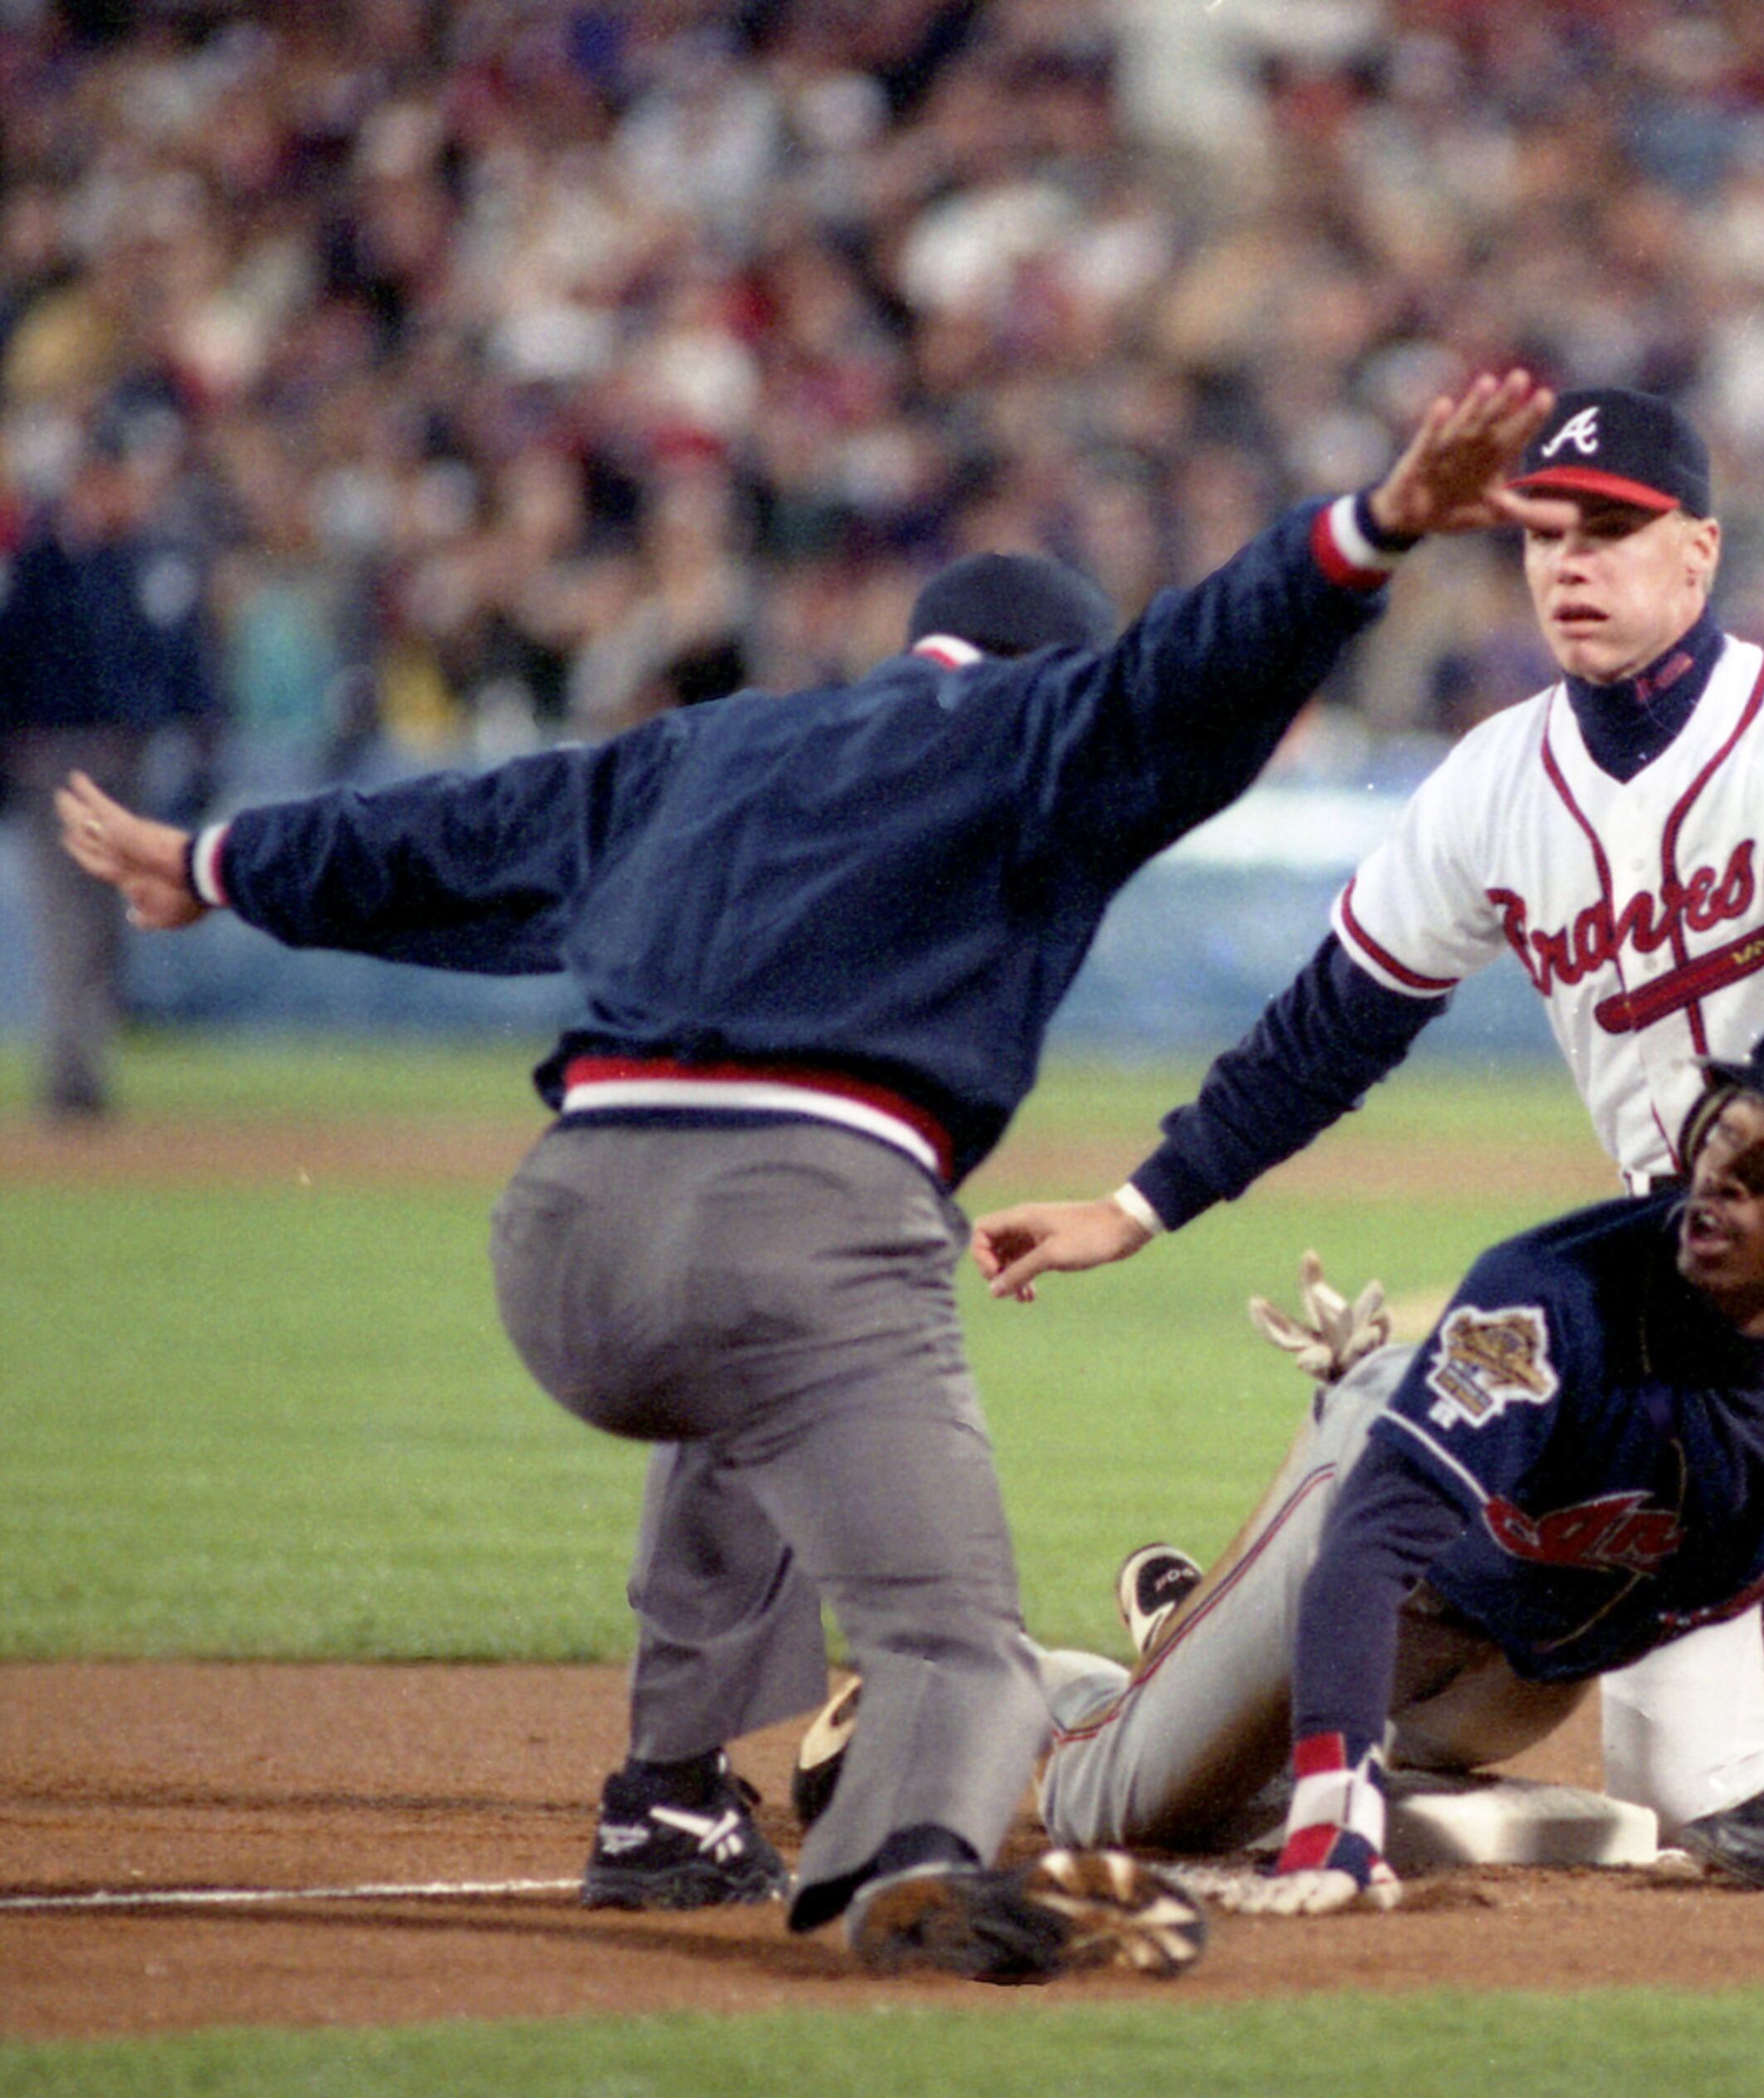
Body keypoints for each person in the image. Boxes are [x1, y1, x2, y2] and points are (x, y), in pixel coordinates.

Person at [52, 367, 1567, 1983]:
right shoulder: (1040, 726)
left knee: (742, 1413)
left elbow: (458, 828)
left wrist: (211, 862)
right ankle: (907, 1872)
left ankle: (668, 1802)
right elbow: (1197, 665)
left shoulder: (711, 748)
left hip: (563, 1238)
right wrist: (1373, 527)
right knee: (956, 1654)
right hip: (799, 1222)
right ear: (1048, 664)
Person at [973, 387, 1764, 1844]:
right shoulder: (1493, 785)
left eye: (1614, 530)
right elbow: (1336, 1023)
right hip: (1695, 1273)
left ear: (1699, 554)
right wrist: (1139, 1202)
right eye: (1545, 535)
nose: (1571, 564)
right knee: (1687, 1775)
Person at [1019, 1009, 1764, 1911]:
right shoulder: (1550, 1300)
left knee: (1349, 1761)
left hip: (1529, 1666)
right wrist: (1332, 1812)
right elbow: (1371, 1541)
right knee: (1128, 1812)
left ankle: (1208, 1640)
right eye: (1726, 1127)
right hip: (1380, 1539)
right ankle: (1023, 1680)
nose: (1723, 1172)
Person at [0, 408, 221, 1122]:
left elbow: (179, 664)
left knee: (108, 918)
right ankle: (70, 1075)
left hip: (121, 752)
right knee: (68, 916)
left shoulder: (142, 559)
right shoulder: (44, 557)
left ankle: (82, 1069)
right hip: (54, 755)